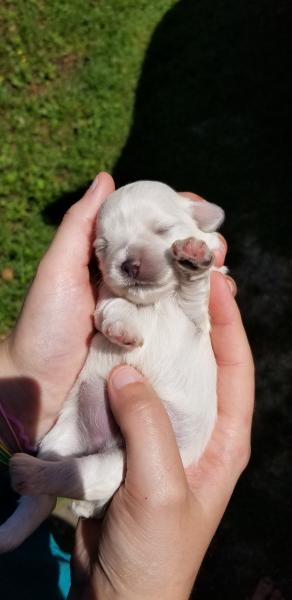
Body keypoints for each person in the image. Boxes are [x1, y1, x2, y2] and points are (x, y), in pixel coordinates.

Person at [0, 172, 254, 599]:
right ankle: (30, 508)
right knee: (60, 436)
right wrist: (110, 312)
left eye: (160, 230)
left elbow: (196, 315)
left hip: (169, 437)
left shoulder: (194, 288)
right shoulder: (112, 300)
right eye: (105, 248)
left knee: (127, 464)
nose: (132, 258)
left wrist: (194, 276)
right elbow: (106, 312)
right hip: (83, 416)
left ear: (197, 225)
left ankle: (54, 482)